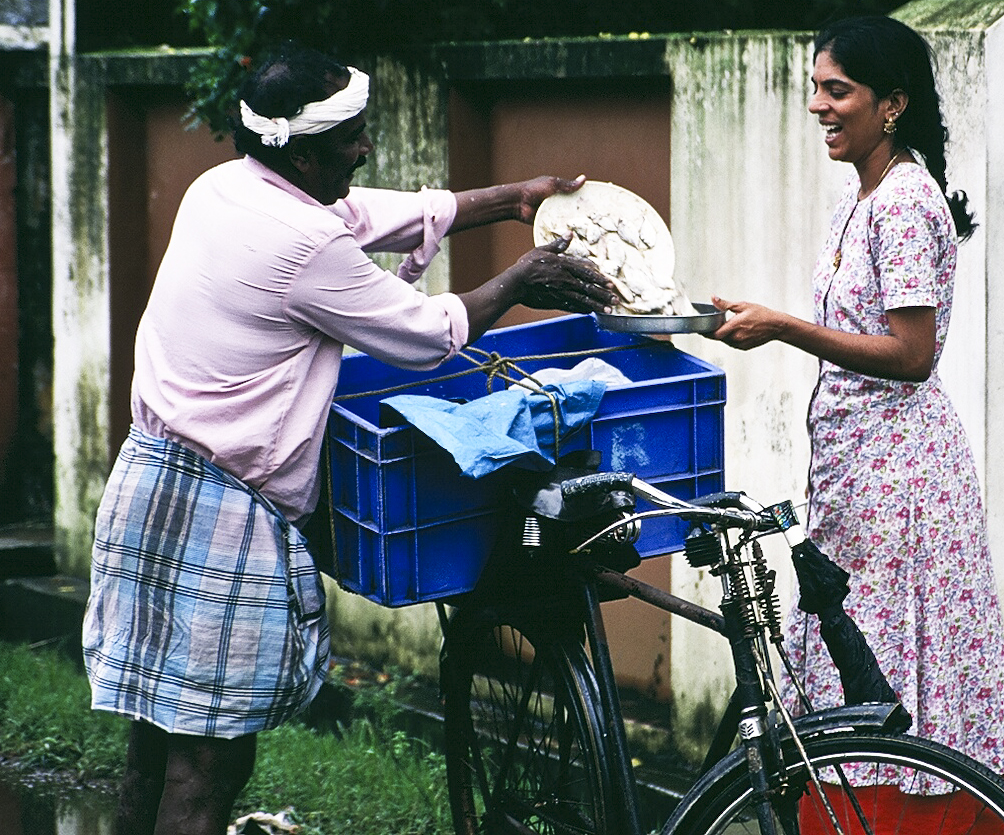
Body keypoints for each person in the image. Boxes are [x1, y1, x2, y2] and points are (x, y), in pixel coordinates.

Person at [80, 43, 615, 835]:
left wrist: (510, 199)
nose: (364, 149)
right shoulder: (303, 245)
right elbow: (427, 333)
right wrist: (520, 280)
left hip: (150, 479)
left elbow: (366, 214)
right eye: (351, 137)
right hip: (220, 510)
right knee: (212, 762)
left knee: (155, 739)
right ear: (299, 147)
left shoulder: (224, 187)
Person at [708, 12, 1004, 813]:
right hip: (862, 482)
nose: (817, 104)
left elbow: (911, 355)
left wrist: (780, 325)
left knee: (886, 672)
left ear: (892, 105)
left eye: (836, 89)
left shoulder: (905, 201)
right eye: (816, 87)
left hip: (902, 491)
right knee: (859, 659)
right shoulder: (865, 192)